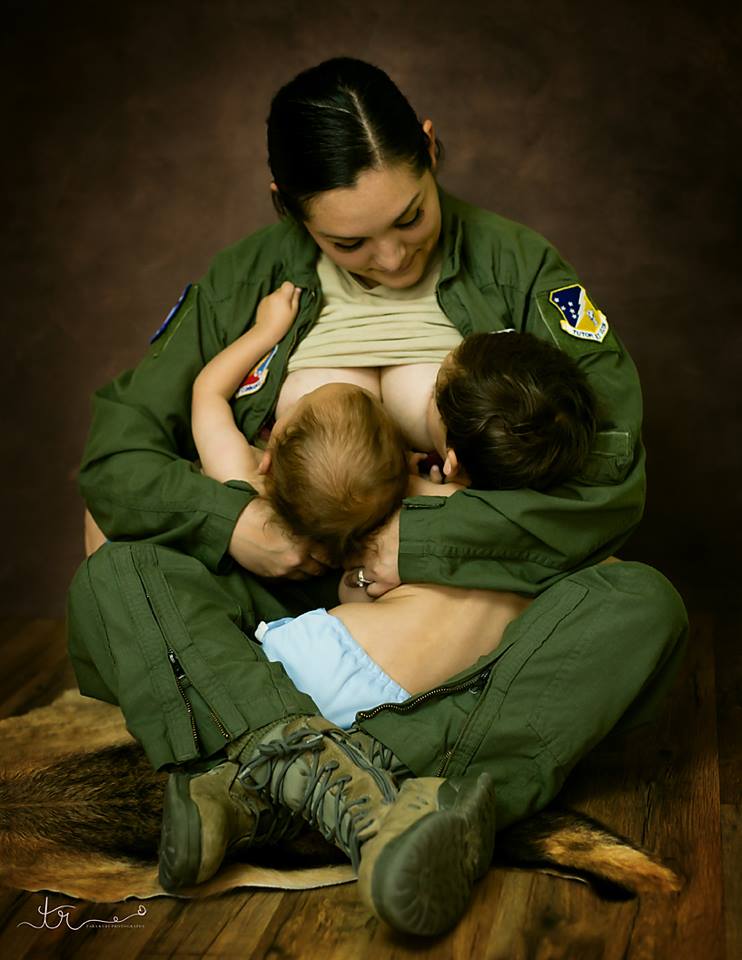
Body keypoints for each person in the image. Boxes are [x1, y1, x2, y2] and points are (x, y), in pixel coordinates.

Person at [67, 57, 688, 937]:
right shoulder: (247, 280)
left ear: (430, 150)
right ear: (288, 204)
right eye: (349, 243)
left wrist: (421, 542)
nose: (394, 256)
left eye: (410, 216)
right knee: (115, 573)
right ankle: (420, 796)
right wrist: (235, 523)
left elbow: (610, 476)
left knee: (642, 605)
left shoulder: (519, 268)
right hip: (280, 599)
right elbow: (118, 451)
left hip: (451, 605)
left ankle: (261, 779)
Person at [191, 280, 408, 567]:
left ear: (267, 459)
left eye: (302, 401)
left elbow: (208, 391)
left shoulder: (239, 471)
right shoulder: (354, 537)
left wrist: (265, 331)